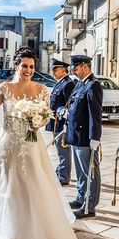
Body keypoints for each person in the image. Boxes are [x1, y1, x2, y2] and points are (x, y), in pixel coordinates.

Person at [0, 48, 80, 239]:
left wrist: (38, 123)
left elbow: (45, 116)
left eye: (32, 66)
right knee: (9, 186)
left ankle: (32, 229)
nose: (28, 70)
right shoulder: (4, 88)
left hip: (32, 143)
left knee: (32, 183)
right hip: (8, 143)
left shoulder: (42, 89)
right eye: (24, 66)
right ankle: (10, 231)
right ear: (16, 66)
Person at [65, 54, 103, 219]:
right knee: (81, 172)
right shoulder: (80, 84)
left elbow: (95, 114)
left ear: (85, 67)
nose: (73, 70)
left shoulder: (93, 86)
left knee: (90, 173)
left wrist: (95, 137)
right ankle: (81, 198)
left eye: (76, 67)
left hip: (86, 138)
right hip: (76, 135)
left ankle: (89, 205)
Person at [45, 58, 76, 186]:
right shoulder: (59, 82)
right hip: (56, 122)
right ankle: (61, 171)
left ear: (64, 70)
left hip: (63, 123)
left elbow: (70, 104)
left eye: (55, 69)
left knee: (63, 150)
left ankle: (64, 176)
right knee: (60, 150)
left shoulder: (68, 84)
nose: (53, 72)